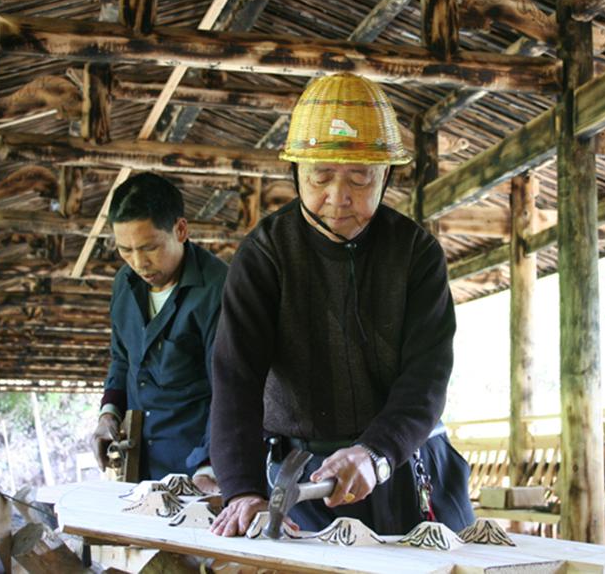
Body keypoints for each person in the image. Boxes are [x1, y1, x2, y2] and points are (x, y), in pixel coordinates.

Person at [208, 73, 474, 537]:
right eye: (321, 176)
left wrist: (378, 452)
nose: (339, 197)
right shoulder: (265, 254)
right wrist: (243, 488)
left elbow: (427, 377)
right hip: (305, 476)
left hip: (406, 459)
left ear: (385, 175)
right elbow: (236, 378)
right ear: (296, 173)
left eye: (359, 177)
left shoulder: (416, 253)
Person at [91, 172, 228, 483]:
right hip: (141, 463)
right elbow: (122, 359)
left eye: (149, 247)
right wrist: (108, 414)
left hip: (201, 468)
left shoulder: (219, 290)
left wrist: (210, 464)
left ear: (180, 230)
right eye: (125, 250)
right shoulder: (125, 285)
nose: (138, 263)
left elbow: (230, 389)